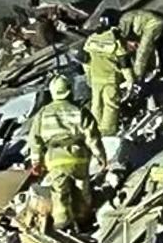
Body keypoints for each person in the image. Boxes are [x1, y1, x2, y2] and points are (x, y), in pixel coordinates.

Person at [28, 74, 108, 232]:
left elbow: (35, 140)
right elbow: (92, 137)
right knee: (82, 189)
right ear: (70, 90)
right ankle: (83, 221)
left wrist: (36, 162)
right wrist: (101, 156)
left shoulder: (43, 113)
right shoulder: (79, 111)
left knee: (59, 193)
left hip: (55, 158)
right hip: (78, 157)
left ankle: (62, 224)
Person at [81, 9, 134, 136]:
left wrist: (88, 76)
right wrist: (130, 80)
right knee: (110, 105)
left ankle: (94, 130)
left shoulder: (92, 38)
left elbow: (86, 60)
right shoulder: (115, 40)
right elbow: (124, 63)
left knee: (96, 105)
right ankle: (107, 131)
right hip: (110, 78)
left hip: (95, 77)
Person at [118, 9, 163, 82]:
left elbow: (143, 52)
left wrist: (137, 76)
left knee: (145, 48)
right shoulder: (124, 26)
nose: (134, 47)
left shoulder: (123, 30)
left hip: (154, 23)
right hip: (151, 21)